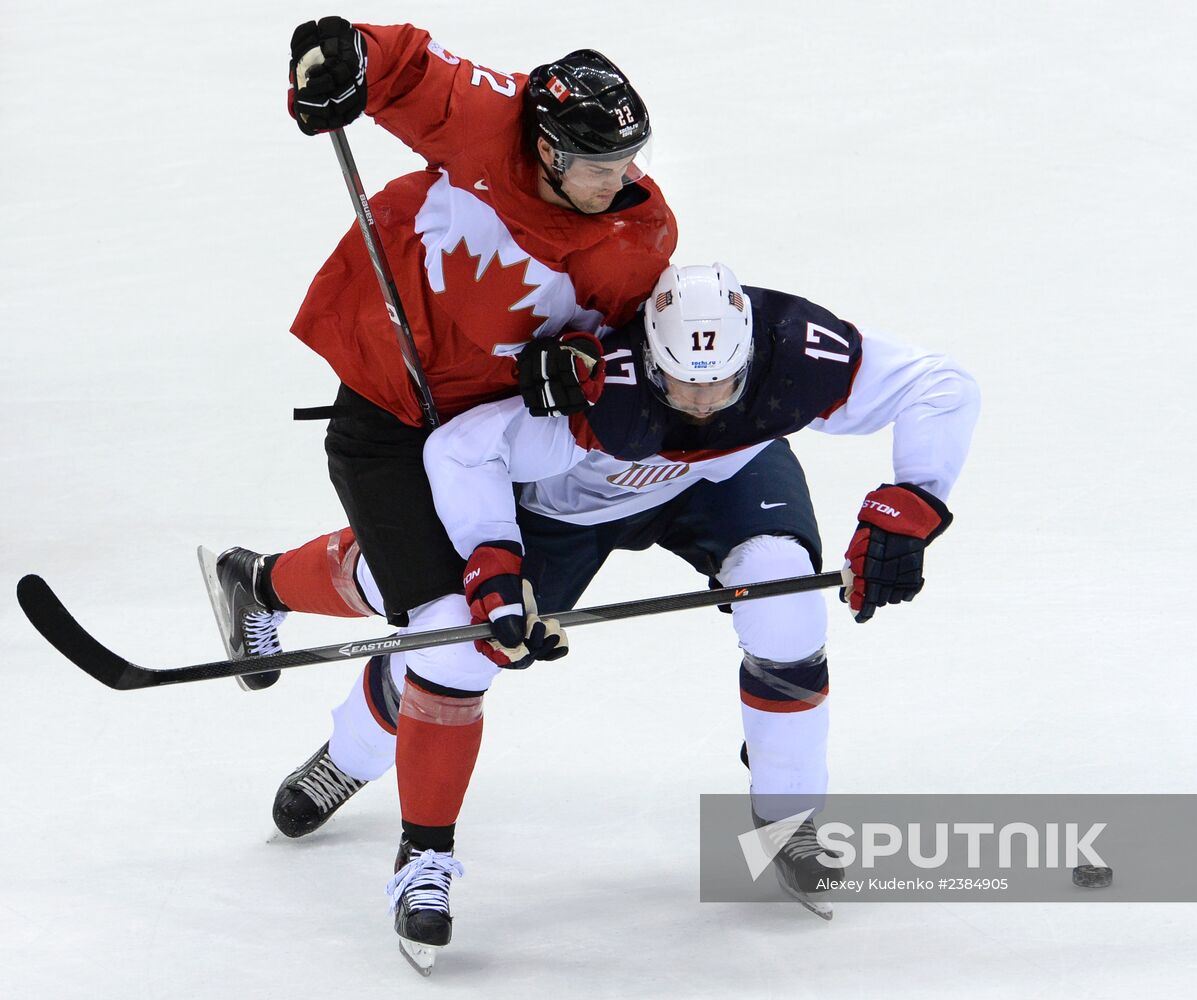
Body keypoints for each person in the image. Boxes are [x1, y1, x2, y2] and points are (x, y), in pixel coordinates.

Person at [263, 262, 979, 971]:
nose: (700, 403)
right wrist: (492, 559)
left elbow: (939, 385)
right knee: (452, 645)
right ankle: (350, 758)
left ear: (754, 357)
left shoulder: (799, 350)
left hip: (720, 478)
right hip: (566, 505)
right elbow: (463, 446)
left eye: (719, 384)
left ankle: (787, 815)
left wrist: (912, 505)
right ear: (648, 355)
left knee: (785, 595)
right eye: (681, 383)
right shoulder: (602, 381)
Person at [201, 16, 676, 801]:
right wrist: (346, 59)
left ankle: (261, 587)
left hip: (486, 426)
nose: (619, 178)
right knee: (445, 625)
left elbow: (624, 348)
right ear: (549, 149)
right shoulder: (495, 122)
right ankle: (398, 820)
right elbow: (410, 69)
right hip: (388, 388)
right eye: (598, 164)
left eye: (630, 158)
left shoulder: (639, 232)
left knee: (432, 600)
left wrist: (578, 368)